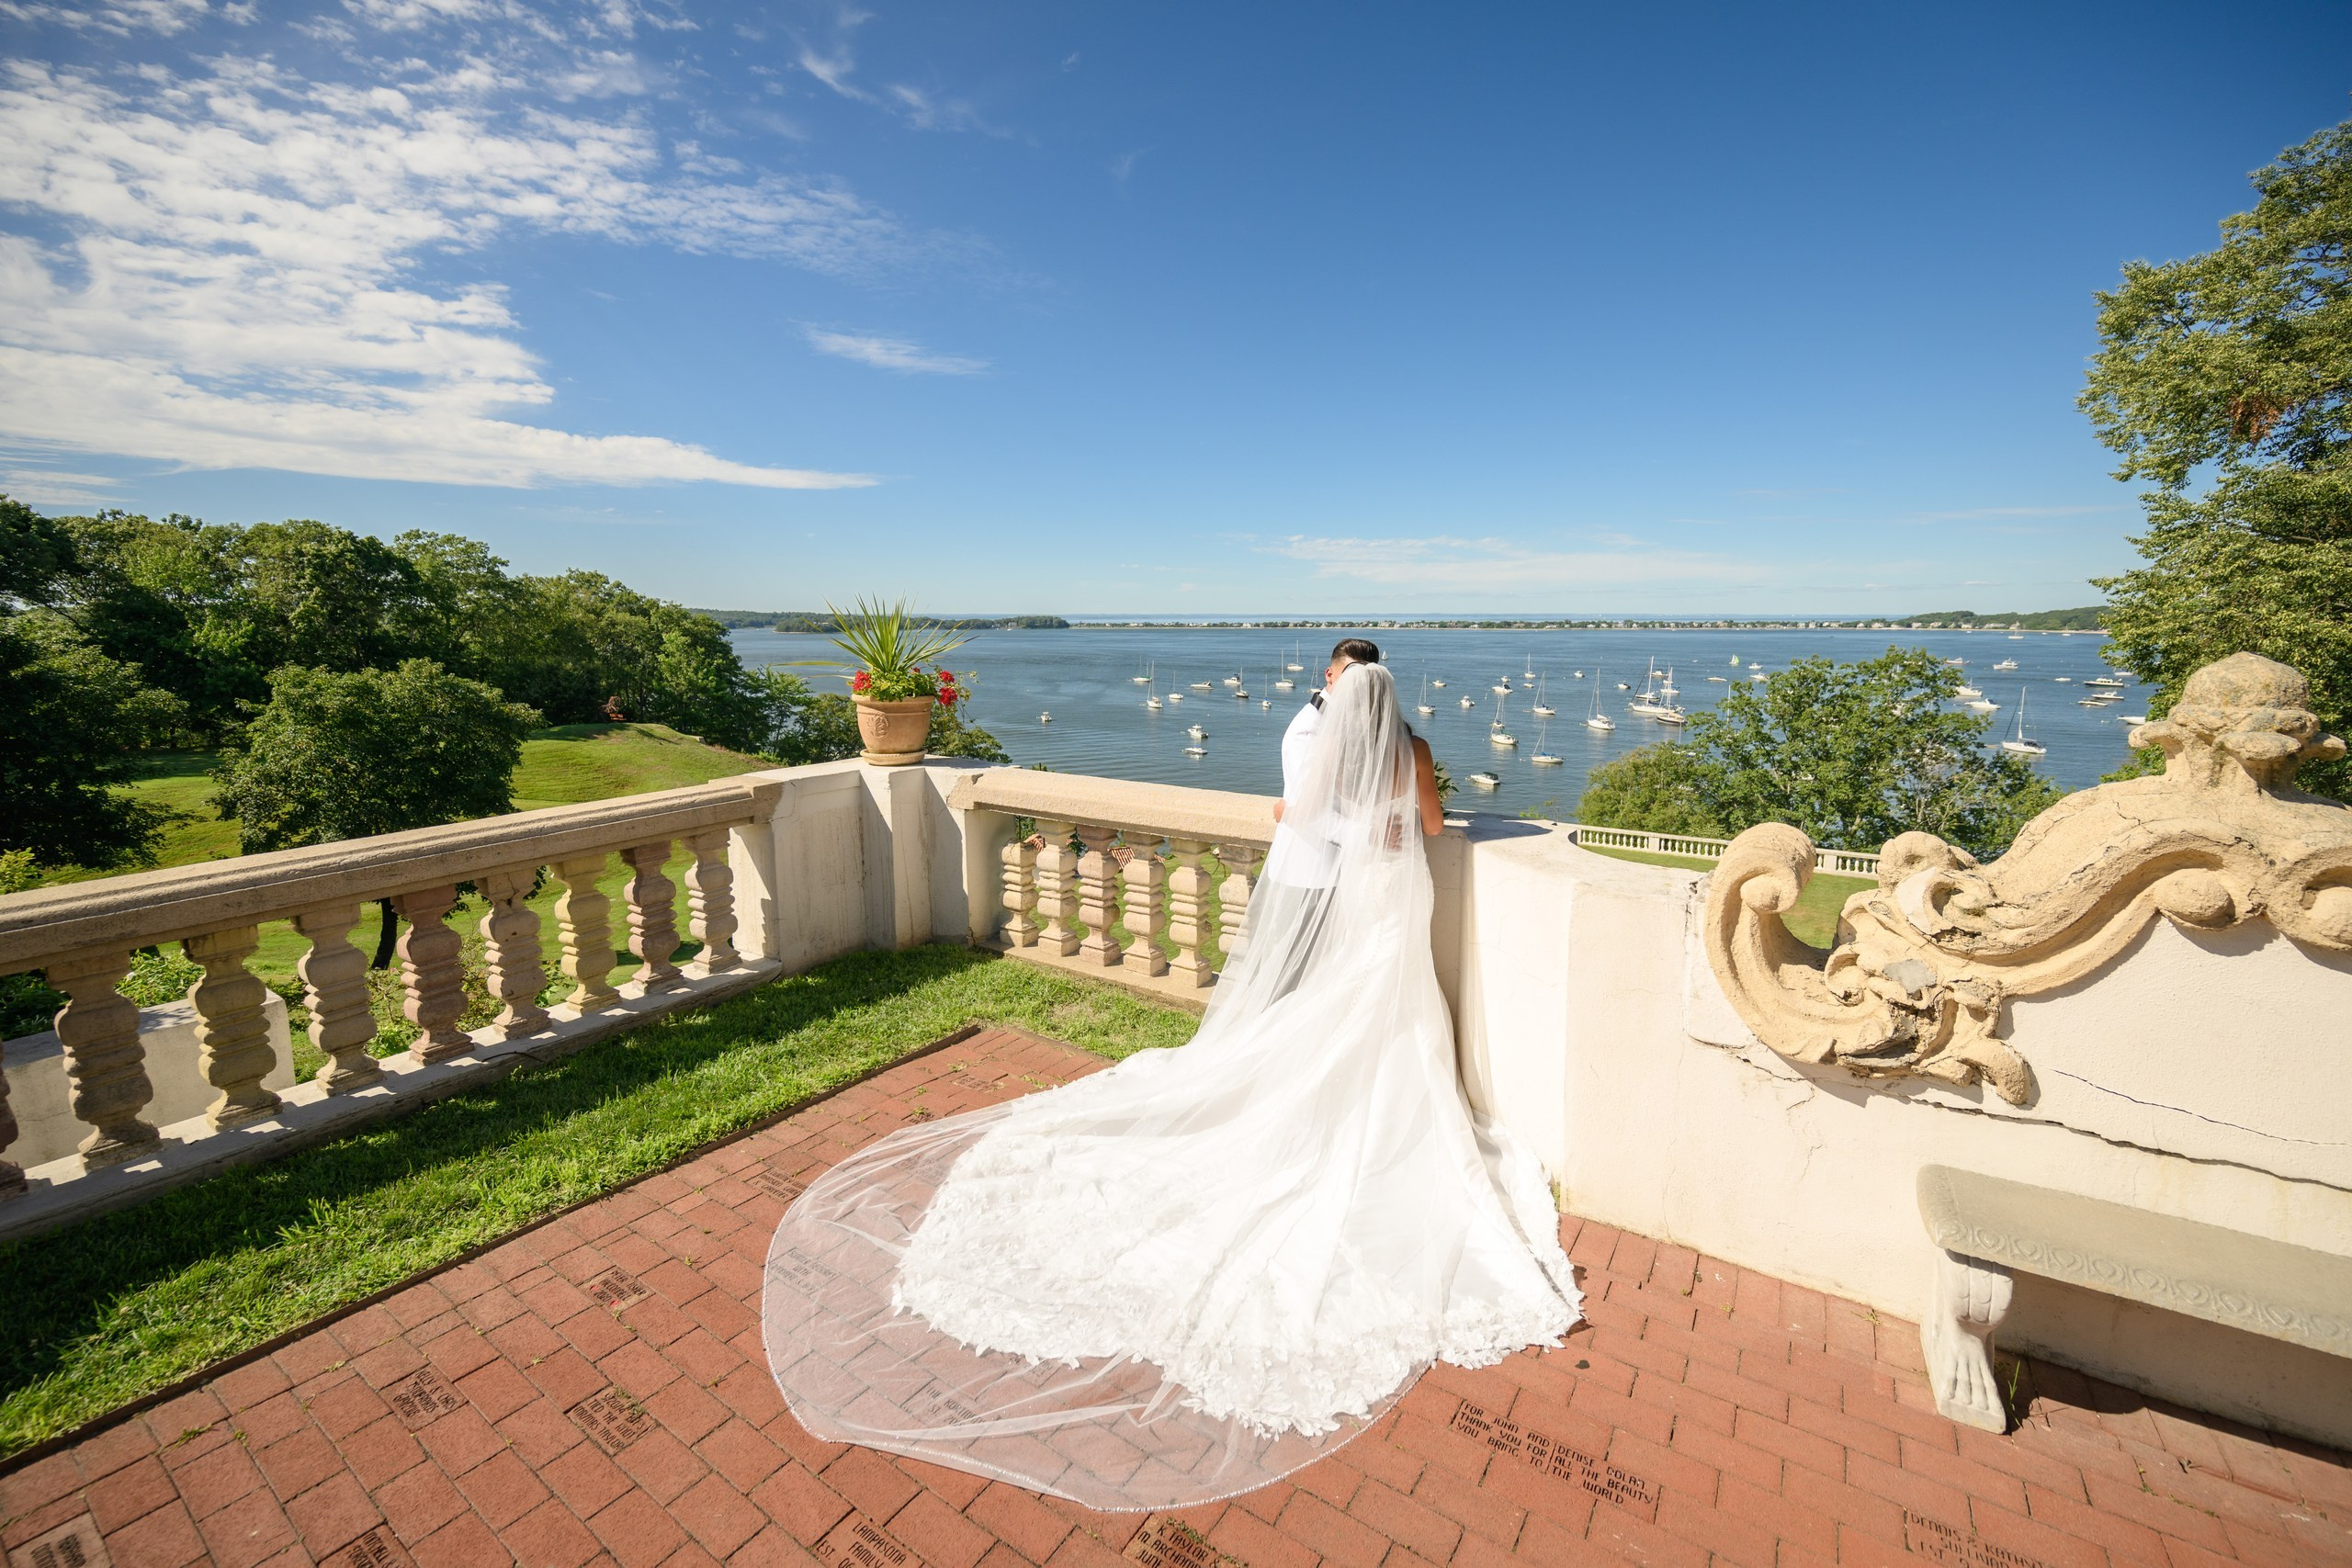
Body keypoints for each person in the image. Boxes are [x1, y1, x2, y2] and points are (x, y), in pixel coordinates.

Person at [761, 654, 1580, 1510]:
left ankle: (1319, 1105)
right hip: (1394, 894)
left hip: (1354, 893)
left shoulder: (1333, 747)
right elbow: (1438, 827)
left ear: (1346, 698)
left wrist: (1352, 829)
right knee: (1388, 1007)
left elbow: (1298, 814)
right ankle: (1375, 1116)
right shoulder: (1411, 750)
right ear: (1395, 698)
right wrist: (1393, 828)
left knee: (1341, 1009)